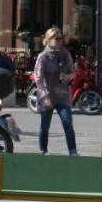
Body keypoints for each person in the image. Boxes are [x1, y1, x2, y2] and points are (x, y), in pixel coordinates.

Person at [33, 27, 77, 156]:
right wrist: (45, 96)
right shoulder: (43, 57)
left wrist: (68, 76)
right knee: (45, 126)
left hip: (63, 95)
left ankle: (73, 151)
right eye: (56, 38)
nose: (59, 41)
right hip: (48, 95)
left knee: (67, 123)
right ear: (48, 40)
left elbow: (73, 72)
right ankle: (43, 150)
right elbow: (38, 78)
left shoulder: (65, 54)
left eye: (60, 38)